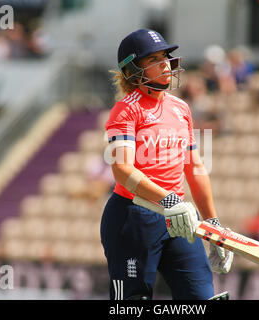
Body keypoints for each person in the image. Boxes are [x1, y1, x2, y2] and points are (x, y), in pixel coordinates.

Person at [100, 29, 233, 300]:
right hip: (133, 217)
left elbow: (195, 168)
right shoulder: (125, 110)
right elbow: (122, 171)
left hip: (180, 219)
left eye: (165, 57)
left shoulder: (181, 108)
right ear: (133, 69)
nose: (165, 64)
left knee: (202, 300)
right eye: (153, 59)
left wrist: (213, 223)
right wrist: (170, 201)